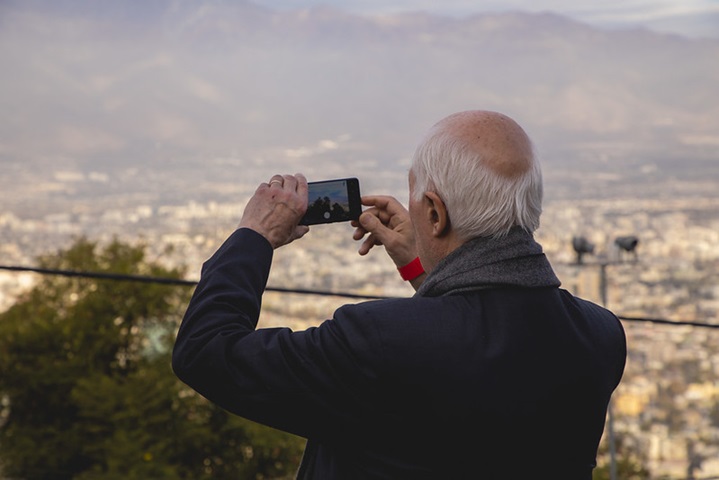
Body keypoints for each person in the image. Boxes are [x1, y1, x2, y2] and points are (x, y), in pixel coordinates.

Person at [172, 110, 627, 479]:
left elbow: (206, 352)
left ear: (434, 213)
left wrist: (254, 236)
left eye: (418, 198)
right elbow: (484, 344)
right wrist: (426, 268)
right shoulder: (600, 337)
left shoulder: (380, 342)